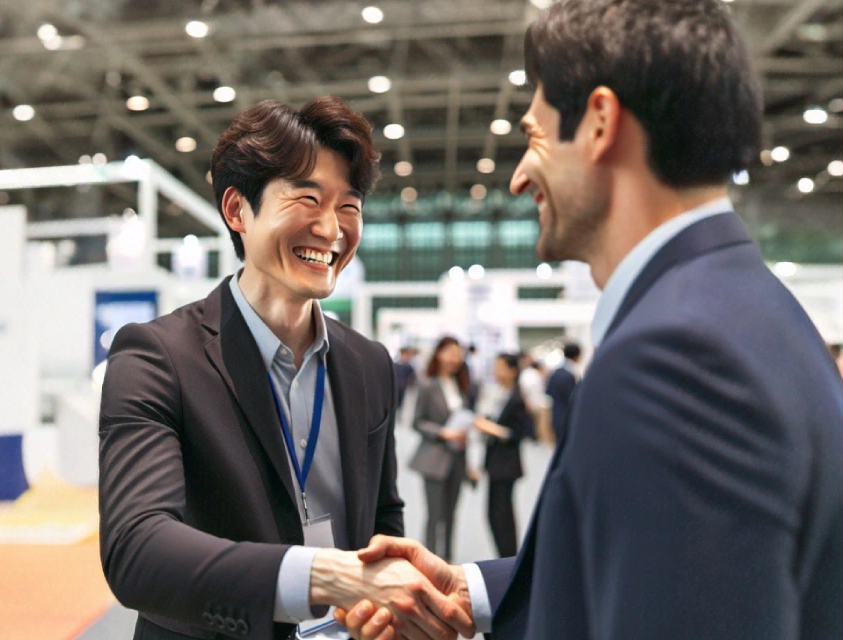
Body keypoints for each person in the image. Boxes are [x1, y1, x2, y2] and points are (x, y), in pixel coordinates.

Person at [337, 1, 842, 638]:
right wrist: (477, 591)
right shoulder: (748, 306)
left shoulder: (674, 358)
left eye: (534, 135)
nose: (520, 176)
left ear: (600, 122)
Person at [99, 97, 472, 640]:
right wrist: (326, 576)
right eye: (307, 198)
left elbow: (382, 518)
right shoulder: (158, 357)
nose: (331, 228)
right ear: (237, 211)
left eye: (350, 205)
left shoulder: (368, 363)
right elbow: (138, 548)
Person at [407, 336, 470, 562]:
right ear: (438, 354)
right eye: (450, 352)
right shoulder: (427, 384)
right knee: (435, 516)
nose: (455, 358)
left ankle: (448, 563)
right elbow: (417, 421)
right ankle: (430, 563)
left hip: (458, 458)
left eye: (458, 353)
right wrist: (443, 432)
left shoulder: (461, 386)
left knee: (452, 516)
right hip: (434, 458)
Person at [473, 353, 534, 558]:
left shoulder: (517, 397)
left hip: (506, 464)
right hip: (496, 462)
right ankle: (506, 557)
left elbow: (517, 433)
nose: (496, 372)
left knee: (502, 515)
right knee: (495, 514)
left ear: (512, 371)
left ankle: (509, 558)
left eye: (501, 367)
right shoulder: (500, 393)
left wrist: (489, 427)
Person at [544, 341, 581, 444]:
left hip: (556, 414)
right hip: (567, 417)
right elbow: (573, 398)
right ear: (577, 355)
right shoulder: (571, 374)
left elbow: (548, 393)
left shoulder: (555, 372)